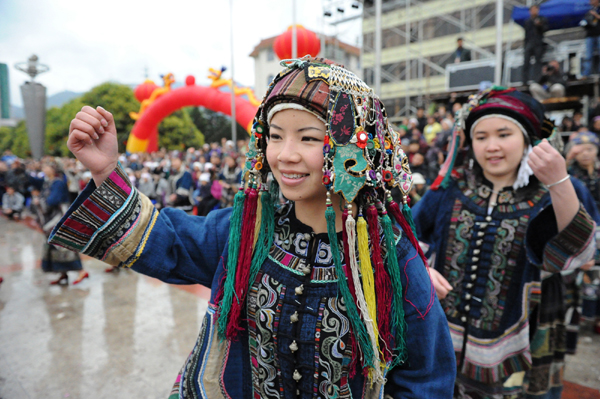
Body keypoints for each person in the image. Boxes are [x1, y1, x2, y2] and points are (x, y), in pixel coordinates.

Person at [51, 57, 456, 398]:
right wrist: (107, 171)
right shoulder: (247, 233)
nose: (285, 155)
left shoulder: (390, 260)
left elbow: (426, 380)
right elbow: (168, 242)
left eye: (308, 138)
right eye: (275, 137)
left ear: (352, 148)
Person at [413, 88, 597, 398]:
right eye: (481, 136)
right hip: (445, 331)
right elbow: (404, 236)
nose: (492, 146)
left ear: (528, 138)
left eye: (503, 133)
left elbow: (577, 256)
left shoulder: (558, 188)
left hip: (527, 333)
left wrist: (558, 181)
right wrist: (419, 271)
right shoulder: (451, 186)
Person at [37, 163, 88, 285]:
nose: (44, 168)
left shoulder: (58, 183)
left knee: (63, 243)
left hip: (58, 218)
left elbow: (52, 200)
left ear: (54, 169)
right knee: (54, 246)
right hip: (50, 218)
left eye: (47, 166)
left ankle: (81, 271)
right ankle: (62, 273)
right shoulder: (48, 182)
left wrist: (40, 201)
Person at [522, 5, 548, 84]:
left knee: (538, 62)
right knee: (526, 62)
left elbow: (545, 29)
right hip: (529, 43)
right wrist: (525, 45)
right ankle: (524, 80)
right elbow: (526, 34)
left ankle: (537, 79)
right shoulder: (527, 21)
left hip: (538, 43)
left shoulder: (542, 19)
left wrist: (539, 25)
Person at [582, 0, 600, 77]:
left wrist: (596, 15)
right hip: (590, 35)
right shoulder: (589, 11)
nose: (590, 2)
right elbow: (585, 21)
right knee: (588, 56)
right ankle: (586, 74)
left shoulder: (597, 10)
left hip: (599, 34)